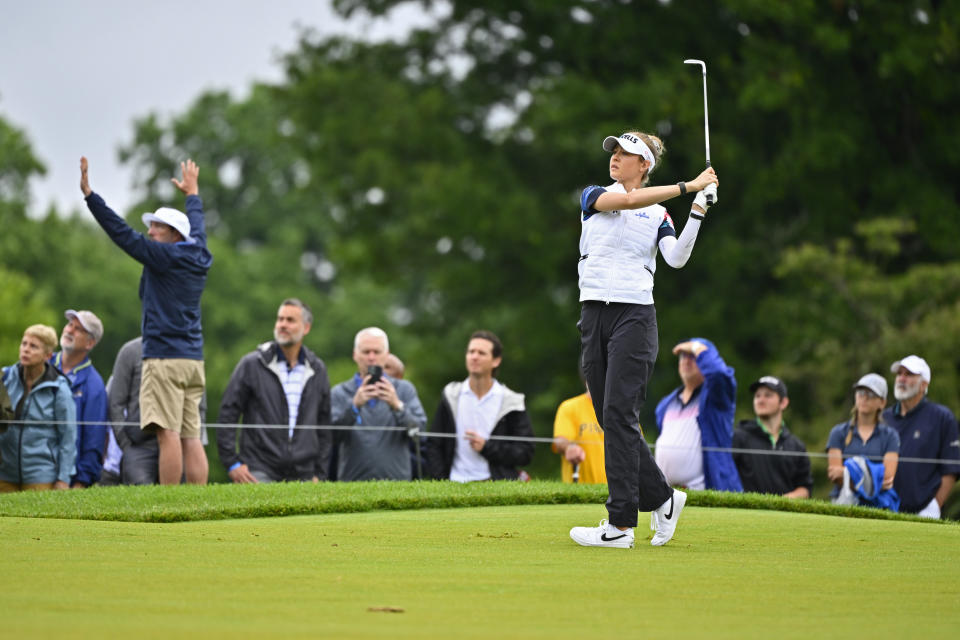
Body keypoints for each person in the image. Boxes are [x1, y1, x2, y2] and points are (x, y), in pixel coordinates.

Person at [569, 129, 719, 549]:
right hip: (593, 312)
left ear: (645, 165)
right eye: (614, 151)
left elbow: (675, 258)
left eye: (626, 152)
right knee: (608, 416)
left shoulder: (659, 215)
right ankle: (663, 499)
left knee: (619, 412)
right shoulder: (595, 195)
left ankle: (619, 524)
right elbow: (631, 200)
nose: (616, 157)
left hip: (635, 316)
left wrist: (696, 212)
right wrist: (691, 184)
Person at [81, 156, 212, 485]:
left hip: (163, 358)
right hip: (192, 360)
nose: (150, 232)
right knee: (190, 434)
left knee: (167, 433)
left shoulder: (164, 257)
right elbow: (198, 225)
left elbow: (123, 235)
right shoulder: (199, 253)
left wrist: (90, 196)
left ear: (175, 235)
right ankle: (198, 504)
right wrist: (192, 194)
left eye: (158, 228)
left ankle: (167, 503)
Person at [217, 299, 332, 483]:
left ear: (306, 328)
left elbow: (324, 425)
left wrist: (320, 473)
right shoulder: (252, 364)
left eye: (290, 320)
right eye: (280, 319)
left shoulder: (317, 369)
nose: (282, 325)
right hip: (259, 469)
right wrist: (232, 463)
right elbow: (228, 414)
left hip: (304, 472)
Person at [426, 330, 534, 481]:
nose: (474, 357)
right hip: (454, 483)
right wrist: (441, 480)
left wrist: (487, 448)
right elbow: (434, 445)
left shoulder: (512, 401)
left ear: (496, 361)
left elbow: (525, 453)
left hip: (496, 484)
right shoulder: (451, 395)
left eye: (481, 353)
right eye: (471, 352)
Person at [107, 336, 209, 485]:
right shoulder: (130, 351)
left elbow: (199, 405)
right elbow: (116, 402)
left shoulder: (187, 354)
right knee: (140, 494)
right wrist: (125, 443)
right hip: (140, 445)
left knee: (182, 498)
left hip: (179, 442)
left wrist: (191, 440)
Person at [330, 327, 426, 481]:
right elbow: (329, 437)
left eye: (377, 352)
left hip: (397, 485)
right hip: (351, 485)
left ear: (387, 355)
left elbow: (420, 434)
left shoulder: (404, 389)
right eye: (366, 352)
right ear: (355, 355)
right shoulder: (340, 392)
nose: (371, 357)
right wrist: (354, 406)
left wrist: (398, 406)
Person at [654, 338, 742, 492]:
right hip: (668, 496)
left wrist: (697, 347)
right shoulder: (666, 404)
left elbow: (719, 374)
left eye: (693, 356)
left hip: (708, 492)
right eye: (683, 356)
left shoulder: (716, 398)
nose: (687, 361)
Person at [0, 325, 77, 492]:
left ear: (48, 355)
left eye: (33, 346)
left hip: (41, 476)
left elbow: (68, 438)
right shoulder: (5, 378)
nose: (26, 350)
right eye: (24, 343)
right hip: (4, 472)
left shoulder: (58, 389)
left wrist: (63, 479)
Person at [882, 356, 960, 518]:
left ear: (924, 384)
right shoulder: (884, 418)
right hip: (884, 508)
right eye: (899, 374)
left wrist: (934, 506)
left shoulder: (942, 417)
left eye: (909, 375)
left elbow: (951, 468)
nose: (901, 379)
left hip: (924, 511)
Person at [51, 309, 108, 488]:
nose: (69, 330)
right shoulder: (42, 364)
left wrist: (80, 483)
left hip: (69, 480)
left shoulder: (95, 385)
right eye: (69, 324)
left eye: (78, 329)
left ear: (90, 343)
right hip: (32, 469)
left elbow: (94, 441)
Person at [827, 373, 900, 508]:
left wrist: (847, 472)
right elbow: (834, 475)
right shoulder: (838, 432)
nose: (864, 398)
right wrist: (873, 476)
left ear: (882, 402)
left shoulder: (890, 436)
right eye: (860, 392)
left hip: (878, 505)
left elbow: (887, 479)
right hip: (843, 503)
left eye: (871, 394)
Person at [732, 376, 812, 498]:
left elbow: (805, 488)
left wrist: (782, 501)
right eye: (757, 396)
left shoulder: (796, 446)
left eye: (768, 395)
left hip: (785, 515)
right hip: (747, 514)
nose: (761, 400)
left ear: (783, 403)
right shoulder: (738, 437)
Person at [552, 369, 606, 484]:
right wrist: (569, 448)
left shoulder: (623, 412)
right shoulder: (569, 408)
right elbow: (560, 441)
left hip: (619, 495)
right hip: (581, 496)